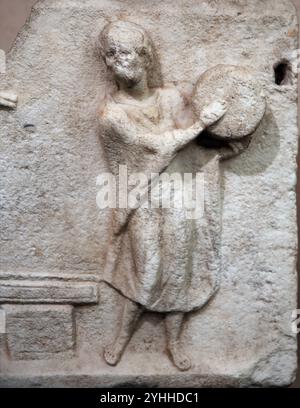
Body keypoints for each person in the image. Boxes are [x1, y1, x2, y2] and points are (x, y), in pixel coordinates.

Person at [98, 20, 227, 371]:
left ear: (144, 55)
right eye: (110, 55)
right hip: (142, 199)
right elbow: (160, 145)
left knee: (180, 271)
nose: (116, 61)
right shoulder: (112, 116)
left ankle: (173, 342)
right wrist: (201, 123)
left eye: (124, 52)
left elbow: (202, 140)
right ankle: (122, 337)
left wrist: (222, 128)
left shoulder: (171, 98)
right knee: (149, 270)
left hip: (182, 197)